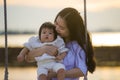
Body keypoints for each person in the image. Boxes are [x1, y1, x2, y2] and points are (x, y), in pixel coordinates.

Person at [25, 7, 96, 80]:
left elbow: (82, 71)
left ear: (72, 31)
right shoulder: (50, 37)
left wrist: (57, 74)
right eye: (56, 23)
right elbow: (28, 58)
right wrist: (44, 49)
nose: (56, 28)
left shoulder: (78, 46)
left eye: (61, 28)